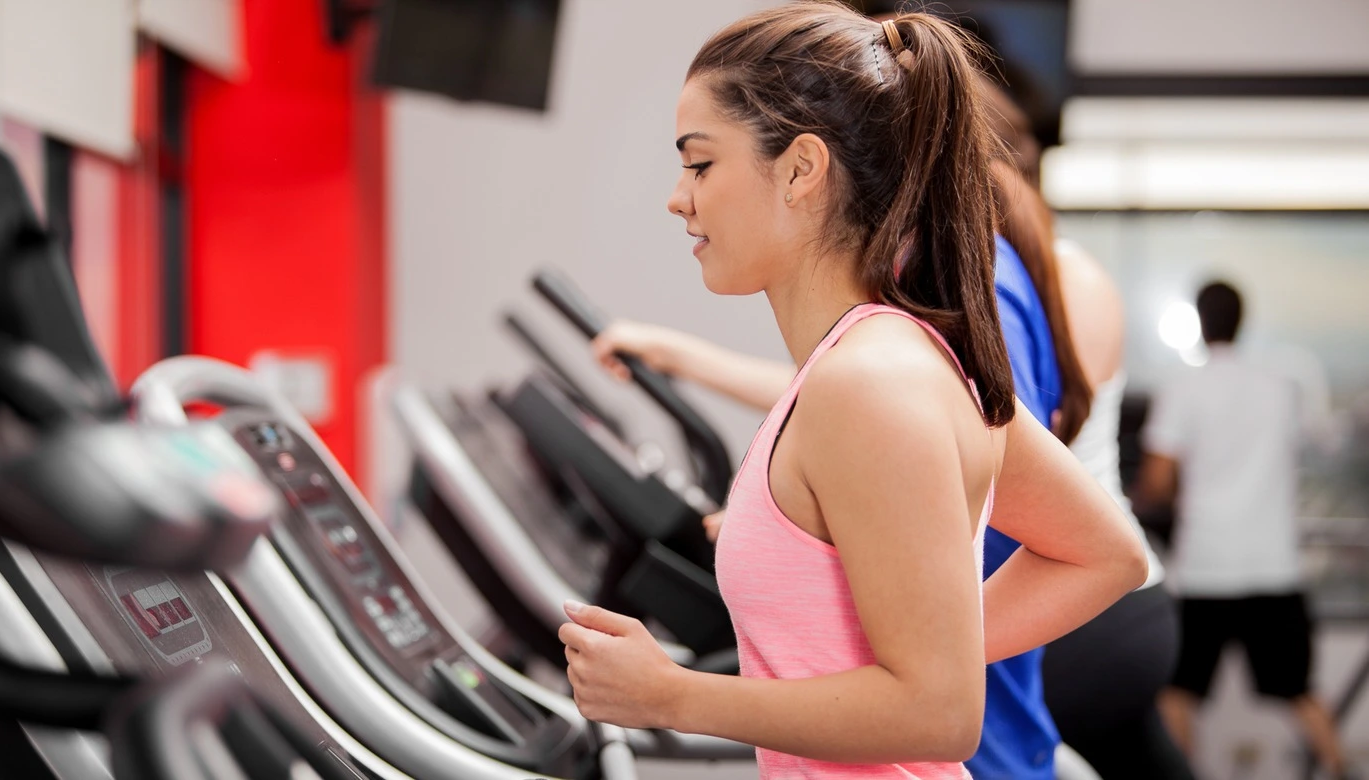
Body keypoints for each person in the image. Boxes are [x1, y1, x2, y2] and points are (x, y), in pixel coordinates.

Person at [555, 6, 1147, 778]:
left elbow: (939, 715)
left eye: (700, 164)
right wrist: (935, 646)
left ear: (801, 169)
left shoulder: (870, 383)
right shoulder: (886, 360)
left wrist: (671, 696)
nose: (679, 197)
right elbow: (1104, 551)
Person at [990, 162, 1193, 780]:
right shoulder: (1045, 274)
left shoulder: (1029, 281)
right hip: (1119, 604)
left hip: (1087, 604)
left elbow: (992, 446)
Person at [1138, 281, 1352, 779]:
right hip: (1273, 565)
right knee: (1299, 690)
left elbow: (1158, 483)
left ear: (1200, 320)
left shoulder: (1182, 388)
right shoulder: (1280, 387)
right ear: (1241, 319)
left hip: (1206, 567)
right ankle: (1340, 770)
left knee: (1178, 693)